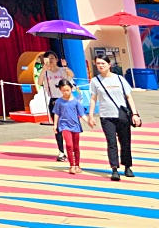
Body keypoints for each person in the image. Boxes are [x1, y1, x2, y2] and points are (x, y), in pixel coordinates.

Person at [90, 53, 143, 181]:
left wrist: (134, 114)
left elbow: (129, 97)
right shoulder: (95, 81)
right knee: (111, 142)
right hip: (106, 116)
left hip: (122, 115)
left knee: (125, 142)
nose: (100, 65)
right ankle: (114, 168)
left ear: (109, 64)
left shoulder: (119, 79)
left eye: (103, 63)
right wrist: (90, 116)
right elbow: (93, 98)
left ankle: (127, 166)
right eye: (98, 63)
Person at [40, 52, 74, 161]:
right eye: (48, 58)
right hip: (54, 101)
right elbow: (39, 82)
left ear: (56, 59)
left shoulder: (62, 70)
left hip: (66, 100)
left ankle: (71, 148)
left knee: (69, 125)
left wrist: (65, 66)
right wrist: (44, 70)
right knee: (57, 128)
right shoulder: (45, 73)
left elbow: (71, 75)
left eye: (52, 58)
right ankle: (61, 152)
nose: (50, 60)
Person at [52, 79, 88, 175]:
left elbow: (82, 114)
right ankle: (71, 165)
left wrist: (89, 121)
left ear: (71, 89)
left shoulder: (76, 102)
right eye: (64, 90)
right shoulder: (59, 102)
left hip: (75, 125)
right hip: (64, 125)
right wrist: (55, 125)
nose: (66, 92)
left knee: (76, 146)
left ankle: (77, 164)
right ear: (60, 90)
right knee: (69, 145)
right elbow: (56, 113)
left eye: (68, 90)